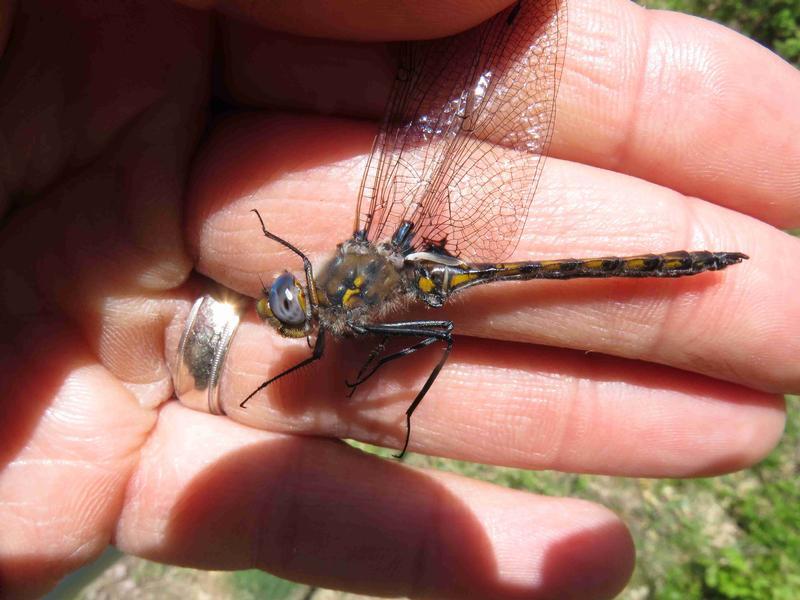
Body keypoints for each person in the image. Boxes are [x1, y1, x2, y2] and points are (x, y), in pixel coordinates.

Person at [1, 0, 796, 598]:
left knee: (436, 335)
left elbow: (332, 342)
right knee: (418, 337)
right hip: (408, 261)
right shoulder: (340, 275)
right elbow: (303, 283)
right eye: (289, 300)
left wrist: (359, 372)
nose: (289, 304)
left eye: (290, 303)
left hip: (424, 272)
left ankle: (690, 266)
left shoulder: (332, 313)